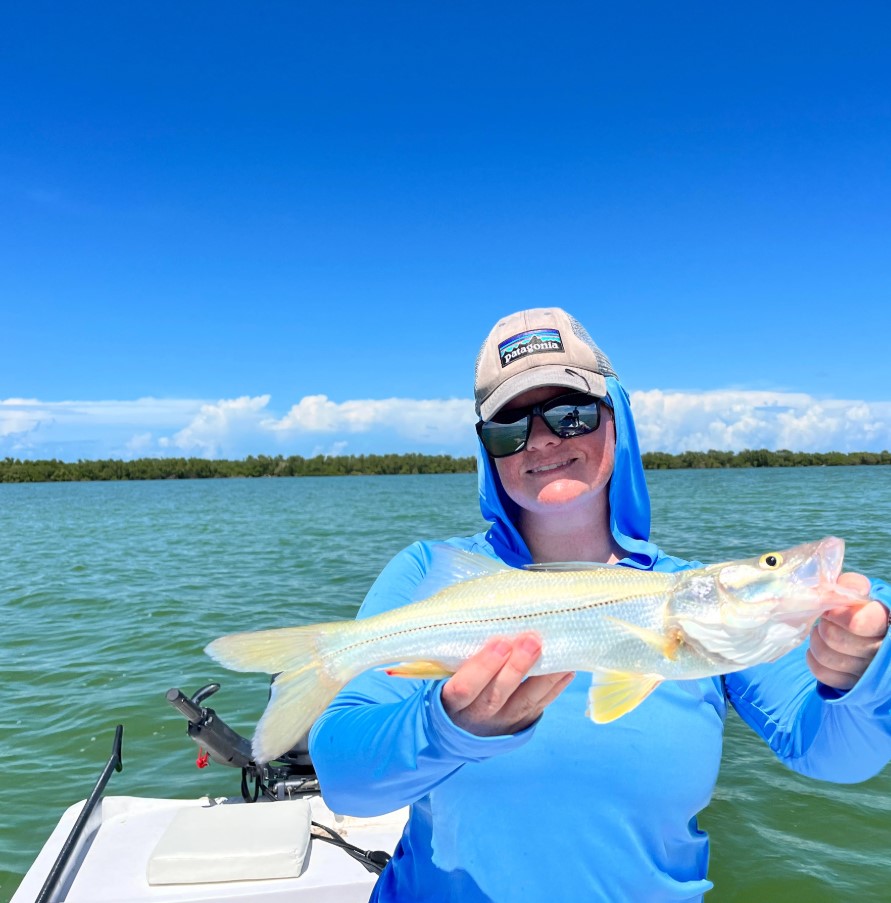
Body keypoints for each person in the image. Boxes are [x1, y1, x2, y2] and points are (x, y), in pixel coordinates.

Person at [309, 307, 891, 902]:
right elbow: (345, 782)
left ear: (618, 420)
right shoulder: (427, 572)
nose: (540, 440)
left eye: (570, 414)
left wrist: (867, 670)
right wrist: (450, 726)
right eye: (509, 427)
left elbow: (836, 755)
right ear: (488, 451)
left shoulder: (696, 601)